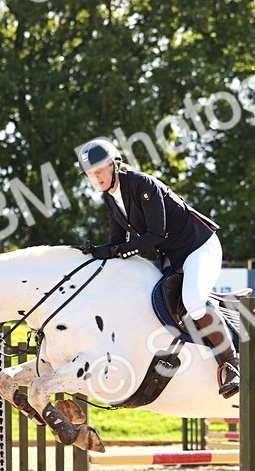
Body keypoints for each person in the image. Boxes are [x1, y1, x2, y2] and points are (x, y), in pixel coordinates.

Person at [75, 138, 238, 398]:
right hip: (172, 256)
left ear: (114, 165)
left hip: (199, 246)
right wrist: (100, 252)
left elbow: (156, 234)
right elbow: (119, 242)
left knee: (194, 301)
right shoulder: (110, 198)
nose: (94, 178)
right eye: (89, 175)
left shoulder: (142, 184)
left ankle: (232, 363)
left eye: (98, 171)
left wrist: (116, 250)